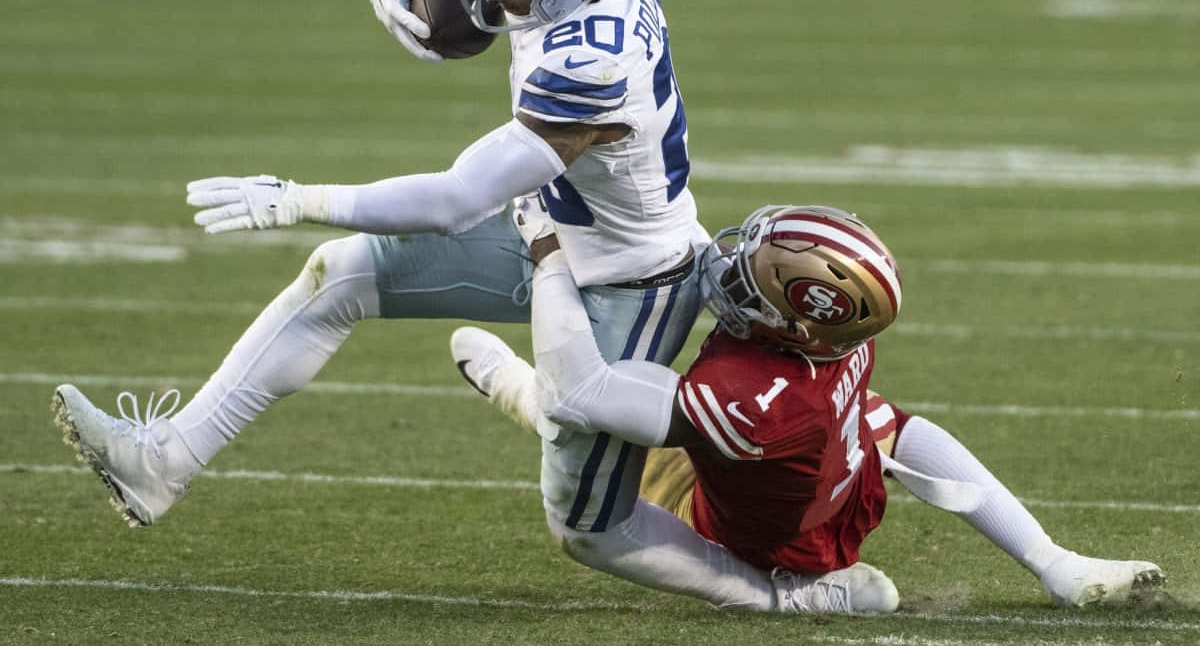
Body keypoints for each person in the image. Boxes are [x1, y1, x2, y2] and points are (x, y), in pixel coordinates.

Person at [52, 0, 845, 615]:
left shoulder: (594, 60)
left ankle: (779, 594)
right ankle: (163, 461)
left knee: (590, 532)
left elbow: (455, 199)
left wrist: (293, 198)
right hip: (557, 225)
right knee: (344, 274)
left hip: (628, 282)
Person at [451, 198, 1167, 610]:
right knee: (895, 424)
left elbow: (586, 390)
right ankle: (1053, 562)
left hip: (765, 535)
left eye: (756, 276)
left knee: (592, 464)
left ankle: (783, 595)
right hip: (839, 478)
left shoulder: (754, 398)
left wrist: (547, 250)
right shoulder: (840, 339)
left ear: (797, 325)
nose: (733, 270)